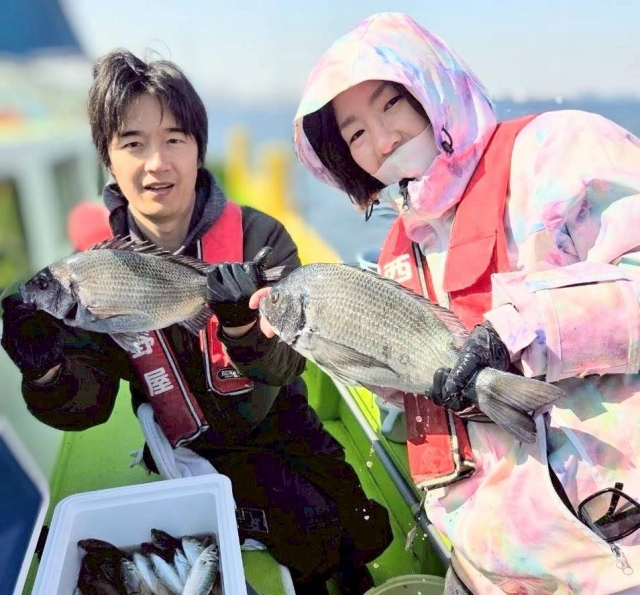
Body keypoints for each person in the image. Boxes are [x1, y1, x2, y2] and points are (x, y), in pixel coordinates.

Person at [268, 11, 640, 594]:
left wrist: (517, 330)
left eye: (392, 103)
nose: (383, 140)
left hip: (606, 553)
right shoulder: (401, 249)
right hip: (478, 563)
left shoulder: (556, 148)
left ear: (433, 84)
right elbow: (418, 398)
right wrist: (360, 359)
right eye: (356, 134)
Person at [0, 49, 392, 594]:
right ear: (108, 158)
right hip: (190, 445)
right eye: (133, 144)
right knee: (295, 534)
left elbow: (287, 367)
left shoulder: (260, 240)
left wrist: (241, 329)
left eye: (174, 140)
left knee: (361, 531)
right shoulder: (89, 274)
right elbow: (88, 407)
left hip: (278, 420)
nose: (156, 163)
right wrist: (45, 372)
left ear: (198, 149)